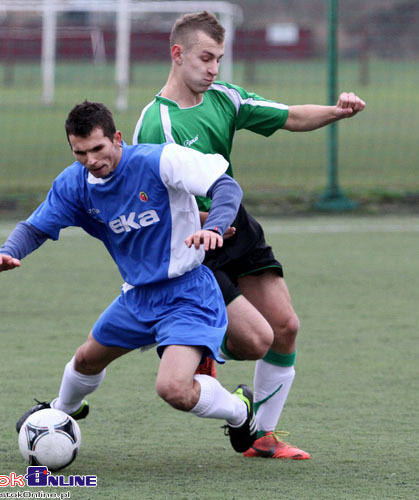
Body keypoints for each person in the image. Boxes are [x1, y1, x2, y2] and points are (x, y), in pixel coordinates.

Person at [133, 11, 366, 460]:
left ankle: (262, 437)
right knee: (250, 341)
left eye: (219, 59)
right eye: (205, 58)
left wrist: (336, 112)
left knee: (285, 327)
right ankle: (192, 341)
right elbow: (148, 201)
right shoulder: (155, 124)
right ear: (177, 54)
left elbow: (290, 116)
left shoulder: (224, 98)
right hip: (195, 242)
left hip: (236, 227)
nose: (213, 68)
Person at [0, 99, 259, 454]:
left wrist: (216, 226)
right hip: (137, 296)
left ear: (117, 138)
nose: (91, 161)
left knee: (173, 389)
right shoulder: (76, 183)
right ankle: (62, 412)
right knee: (85, 360)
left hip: (187, 293)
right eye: (79, 153)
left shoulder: (159, 160)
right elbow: (36, 227)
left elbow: (226, 188)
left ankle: (239, 411)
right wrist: (7, 252)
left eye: (97, 148)